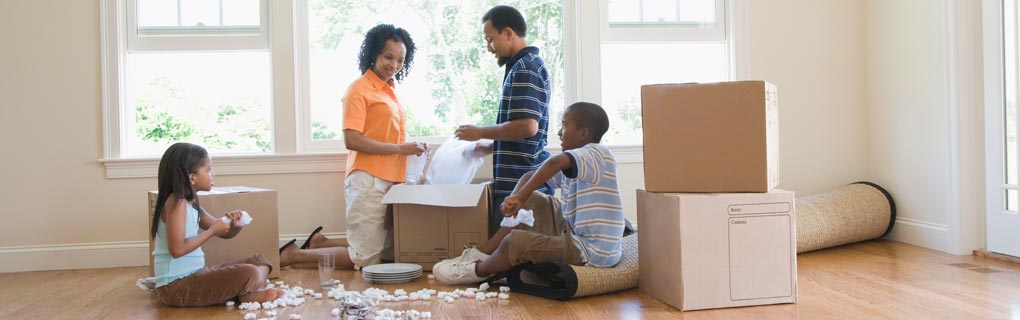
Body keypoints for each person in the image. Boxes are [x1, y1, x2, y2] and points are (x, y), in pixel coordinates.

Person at [433, 102, 625, 284]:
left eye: (565, 126)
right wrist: (515, 200)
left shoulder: (599, 154)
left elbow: (554, 163)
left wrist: (520, 197)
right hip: (572, 234)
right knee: (532, 199)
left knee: (513, 243)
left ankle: (478, 270)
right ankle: (483, 253)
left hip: (591, 252)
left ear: (583, 133)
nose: (559, 132)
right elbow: (530, 176)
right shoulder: (578, 162)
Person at [454, 5, 553, 236]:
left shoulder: (526, 67)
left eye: (490, 40)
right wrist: (492, 146)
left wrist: (480, 132)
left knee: (512, 250)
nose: (489, 48)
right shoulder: (521, 66)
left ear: (508, 33)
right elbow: (522, 132)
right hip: (517, 181)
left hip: (521, 184)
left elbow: (528, 126)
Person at [150, 142, 285, 306]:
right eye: (208, 169)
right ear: (192, 177)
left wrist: (234, 226)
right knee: (249, 272)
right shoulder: (176, 203)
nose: (213, 173)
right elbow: (177, 250)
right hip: (175, 287)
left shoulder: (191, 204)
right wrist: (212, 231)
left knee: (259, 260)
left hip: (197, 274)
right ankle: (247, 292)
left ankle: (247, 289)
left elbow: (224, 232)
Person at [336, 23, 426, 269]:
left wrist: (409, 149)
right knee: (365, 258)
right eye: (388, 57)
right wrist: (400, 149)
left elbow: (386, 136)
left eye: (400, 60)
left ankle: (317, 244)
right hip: (367, 179)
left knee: (384, 250)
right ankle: (294, 256)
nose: (394, 65)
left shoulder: (390, 91)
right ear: (374, 53)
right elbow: (352, 139)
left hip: (391, 180)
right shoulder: (359, 89)